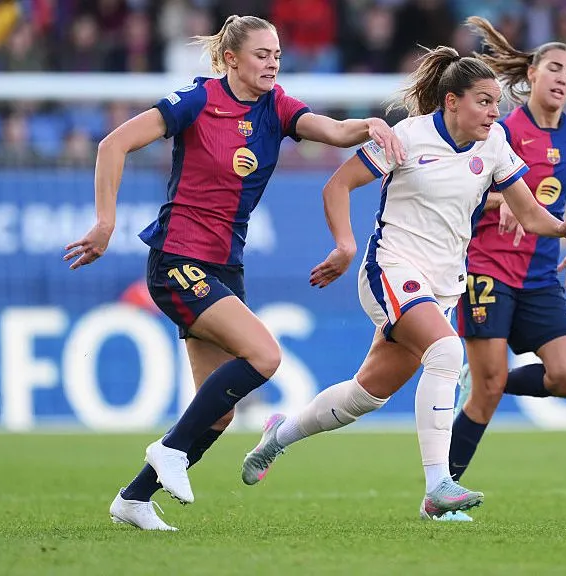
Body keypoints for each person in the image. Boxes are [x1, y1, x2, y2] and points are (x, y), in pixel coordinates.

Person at [63, 14, 404, 532]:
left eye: (277, 56)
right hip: (178, 259)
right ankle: (169, 449)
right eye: (262, 55)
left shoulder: (277, 105)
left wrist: (370, 125)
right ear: (231, 59)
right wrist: (105, 222)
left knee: (219, 414)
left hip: (225, 264)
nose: (272, 63)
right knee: (265, 355)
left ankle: (133, 499)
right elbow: (113, 144)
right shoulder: (197, 100)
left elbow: (331, 131)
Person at [238, 44, 566, 520]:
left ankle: (277, 436)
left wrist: (563, 227)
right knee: (448, 351)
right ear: (452, 101)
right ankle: (437, 488)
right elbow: (338, 185)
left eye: (496, 103)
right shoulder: (406, 137)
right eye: (484, 101)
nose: (495, 112)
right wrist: (345, 246)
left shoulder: (494, 145)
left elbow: (530, 213)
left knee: (365, 395)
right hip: (391, 267)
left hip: (443, 283)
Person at [444, 17, 566, 521]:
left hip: (539, 276)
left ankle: (485, 378)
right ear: (531, 74)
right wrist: (499, 200)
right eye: (554, 67)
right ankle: (440, 492)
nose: (562, 78)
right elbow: (460, 188)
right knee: (486, 398)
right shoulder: (502, 130)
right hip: (488, 268)